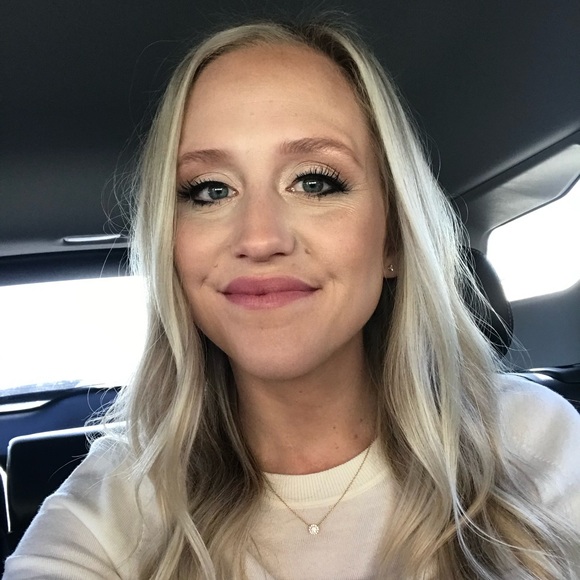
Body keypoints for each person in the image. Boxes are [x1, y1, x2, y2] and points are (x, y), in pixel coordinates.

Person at [4, 19, 580, 580]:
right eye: (210, 190)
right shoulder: (113, 506)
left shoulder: (532, 437)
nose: (259, 238)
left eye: (315, 181)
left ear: (392, 241)